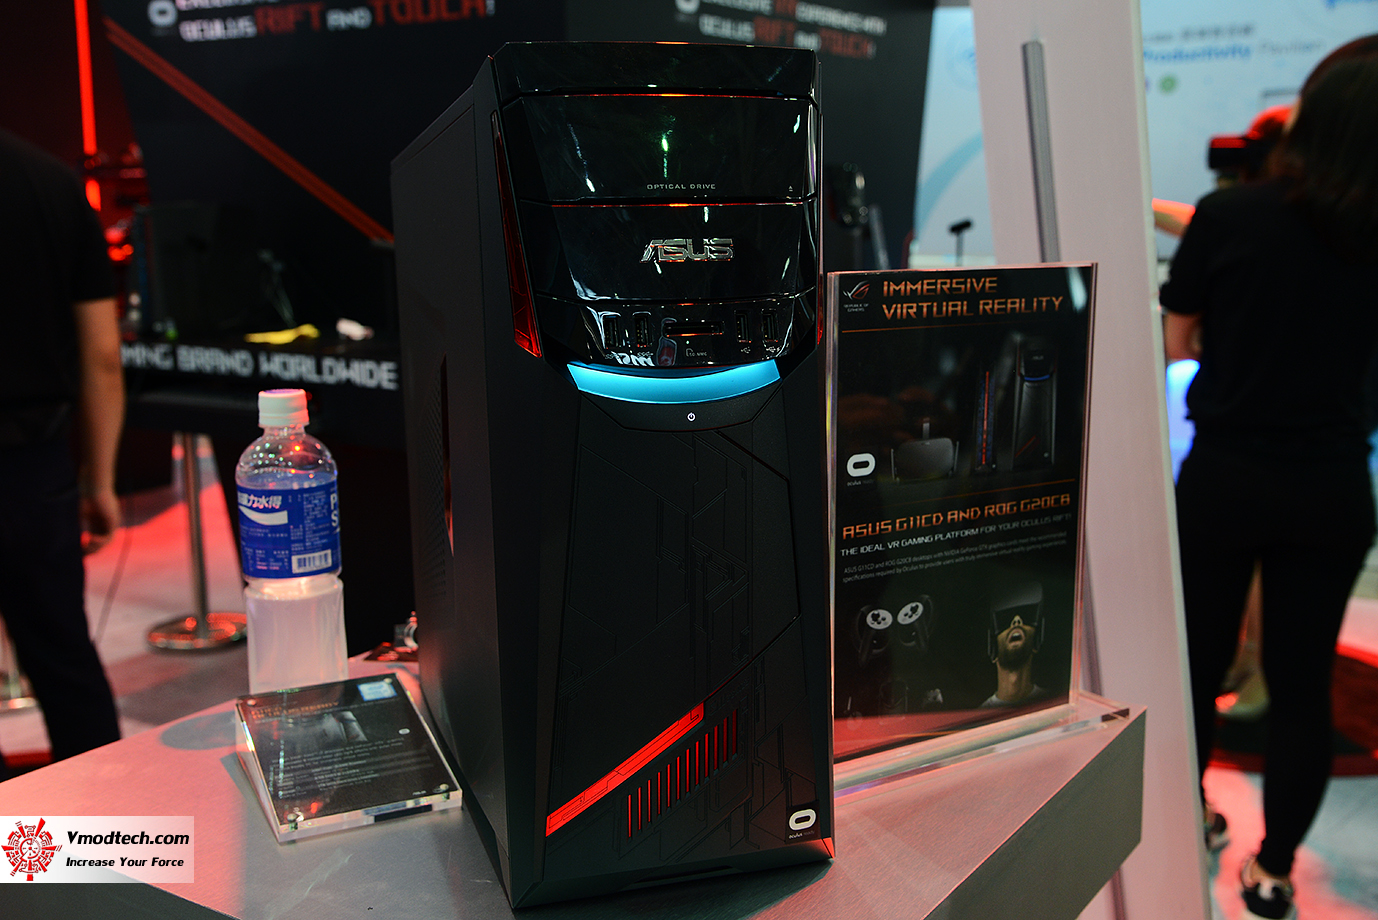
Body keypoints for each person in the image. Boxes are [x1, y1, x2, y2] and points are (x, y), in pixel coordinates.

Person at [1160, 46, 1378, 920]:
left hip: (1225, 477)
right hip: (1332, 487)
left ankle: (1191, 817)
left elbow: (1179, 343)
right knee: (1301, 689)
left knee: (1193, 667)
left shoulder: (1230, 215)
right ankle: (1276, 871)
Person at [0, 127, 124, 778]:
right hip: (34, 467)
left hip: (33, 460)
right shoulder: (51, 183)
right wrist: (99, 480)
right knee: (63, 655)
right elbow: (103, 355)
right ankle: (105, 826)